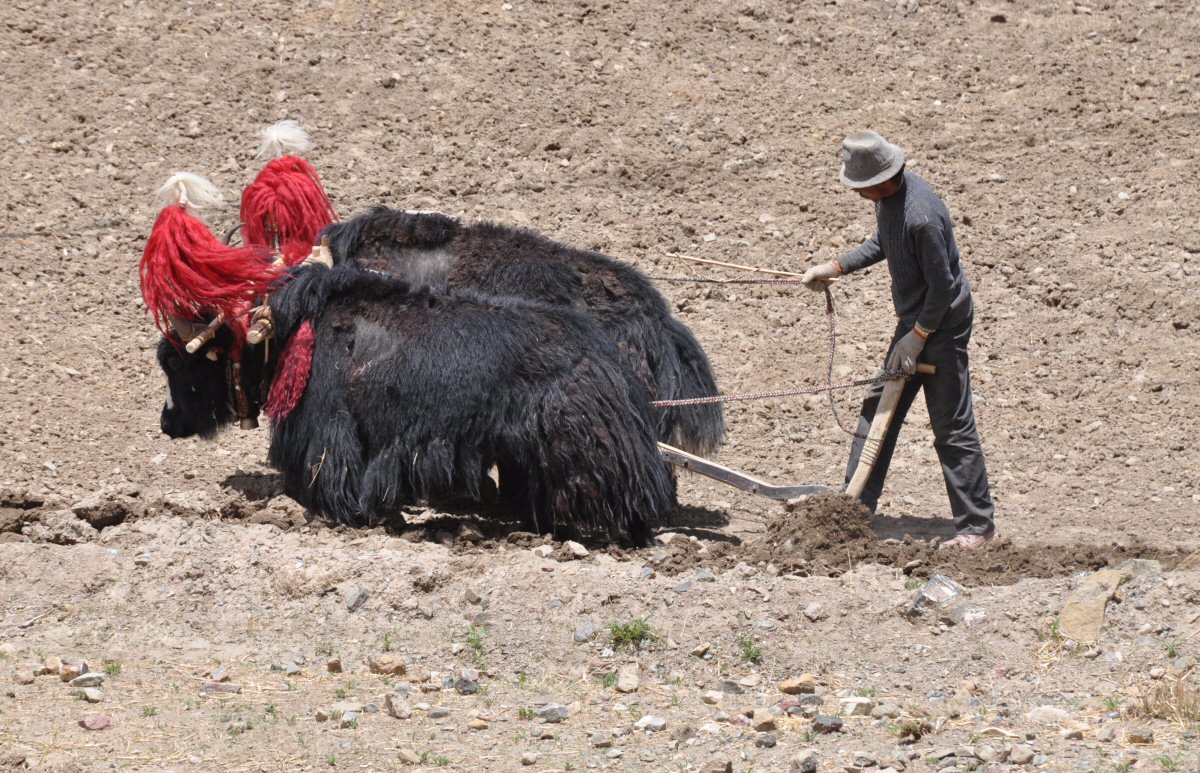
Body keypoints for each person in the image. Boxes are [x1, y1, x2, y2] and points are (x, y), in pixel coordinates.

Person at [802, 130, 996, 549]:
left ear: (883, 178)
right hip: (916, 321)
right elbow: (883, 243)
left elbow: (943, 288)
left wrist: (918, 337)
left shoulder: (920, 215)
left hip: (940, 324)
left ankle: (977, 526)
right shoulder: (890, 201)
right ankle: (851, 514)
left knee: (951, 426)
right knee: (877, 409)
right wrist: (836, 266)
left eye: (860, 186)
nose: (857, 194)